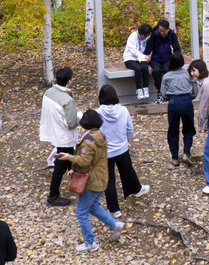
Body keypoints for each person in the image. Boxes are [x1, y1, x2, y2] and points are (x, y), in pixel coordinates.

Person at [57, 110, 126, 253]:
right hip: (102, 178)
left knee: (81, 212)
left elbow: (84, 160)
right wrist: (75, 169)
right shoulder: (100, 135)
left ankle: (90, 243)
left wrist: (69, 158)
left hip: (91, 182)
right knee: (93, 206)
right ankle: (114, 224)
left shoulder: (88, 141)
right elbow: (92, 160)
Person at [96, 84, 149, 216]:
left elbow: (95, 132)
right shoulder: (123, 110)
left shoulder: (97, 113)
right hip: (122, 149)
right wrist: (124, 140)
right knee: (127, 170)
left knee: (109, 180)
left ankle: (114, 209)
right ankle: (136, 189)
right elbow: (130, 128)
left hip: (105, 152)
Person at [39, 67, 79, 207]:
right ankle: (53, 196)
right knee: (60, 166)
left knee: (71, 162)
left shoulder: (49, 92)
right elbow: (72, 122)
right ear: (69, 81)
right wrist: (80, 116)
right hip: (65, 137)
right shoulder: (67, 100)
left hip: (55, 131)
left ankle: (80, 185)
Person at [160, 52, 197, 166]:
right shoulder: (188, 74)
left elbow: (163, 94)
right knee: (188, 128)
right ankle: (186, 153)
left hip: (173, 102)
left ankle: (174, 157)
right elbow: (195, 91)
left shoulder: (166, 76)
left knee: (173, 130)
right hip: (186, 101)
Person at [190, 59, 209, 194]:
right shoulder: (204, 83)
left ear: (201, 70)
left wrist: (201, 125)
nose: (192, 73)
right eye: (191, 70)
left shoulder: (206, 84)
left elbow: (204, 107)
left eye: (194, 70)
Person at [144, 19, 181, 103]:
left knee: (167, 70)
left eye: (163, 31)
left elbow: (177, 48)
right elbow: (148, 48)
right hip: (156, 57)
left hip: (167, 57)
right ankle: (159, 91)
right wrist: (147, 61)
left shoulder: (172, 35)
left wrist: (177, 58)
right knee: (156, 71)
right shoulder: (154, 34)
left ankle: (168, 91)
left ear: (168, 29)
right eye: (160, 30)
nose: (161, 32)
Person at [123, 23, 153, 101]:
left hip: (141, 59)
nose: (146, 37)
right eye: (145, 36)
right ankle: (139, 88)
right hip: (130, 58)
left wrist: (149, 56)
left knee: (144, 68)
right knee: (138, 69)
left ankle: (146, 87)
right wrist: (144, 57)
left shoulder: (147, 38)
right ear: (142, 34)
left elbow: (150, 48)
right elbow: (133, 51)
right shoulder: (133, 37)